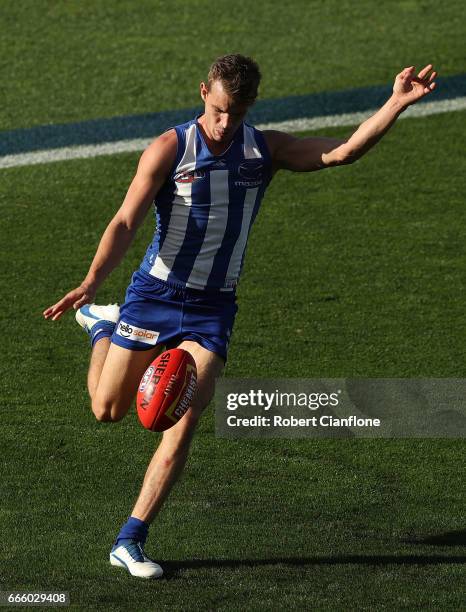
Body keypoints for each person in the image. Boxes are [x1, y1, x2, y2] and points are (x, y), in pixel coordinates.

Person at [43, 54, 437, 578]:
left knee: (183, 416)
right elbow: (124, 220)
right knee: (107, 410)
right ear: (204, 91)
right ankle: (103, 325)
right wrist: (92, 282)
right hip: (154, 295)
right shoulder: (169, 148)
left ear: (252, 105)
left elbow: (341, 152)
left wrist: (395, 103)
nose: (227, 123)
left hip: (212, 309)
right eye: (221, 110)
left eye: (239, 112)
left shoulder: (263, 148)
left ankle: (130, 539)